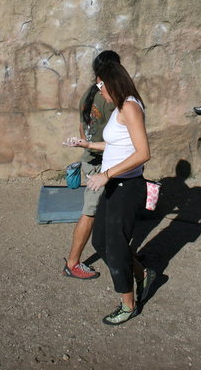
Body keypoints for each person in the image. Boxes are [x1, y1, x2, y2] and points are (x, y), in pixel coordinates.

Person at [75, 61, 156, 325]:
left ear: (113, 82)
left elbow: (143, 153)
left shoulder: (131, 107)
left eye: (102, 85)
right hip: (112, 184)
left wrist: (107, 174)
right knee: (100, 241)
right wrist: (87, 143)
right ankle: (143, 273)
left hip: (126, 186)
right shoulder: (121, 107)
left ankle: (128, 304)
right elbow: (115, 143)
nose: (100, 92)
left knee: (116, 245)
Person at [62, 50, 120, 280]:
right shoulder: (109, 98)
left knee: (109, 210)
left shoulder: (88, 93)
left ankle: (120, 253)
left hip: (90, 157)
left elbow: (81, 128)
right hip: (100, 162)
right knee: (90, 211)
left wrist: (88, 147)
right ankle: (72, 262)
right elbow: (117, 137)